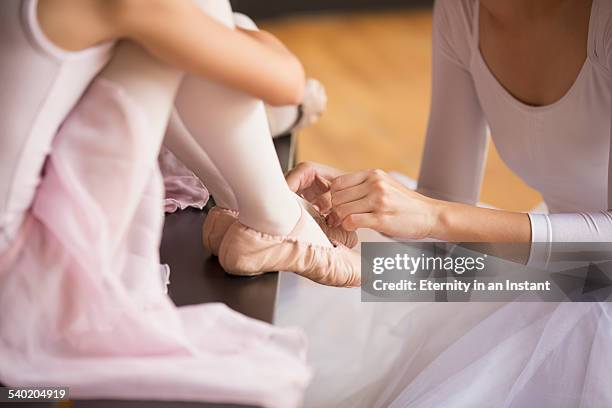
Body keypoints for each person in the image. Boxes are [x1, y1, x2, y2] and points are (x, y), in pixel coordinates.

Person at [0, 0, 358, 405]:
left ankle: (267, 204)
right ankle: (274, 213)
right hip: (28, 287)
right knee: (183, 32)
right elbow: (286, 78)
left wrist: (433, 220)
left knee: (195, 29)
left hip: (438, 256)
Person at [280, 0, 612, 406]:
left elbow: (604, 263)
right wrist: (355, 214)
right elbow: (442, 237)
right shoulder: (462, 10)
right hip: (563, 268)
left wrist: (431, 215)